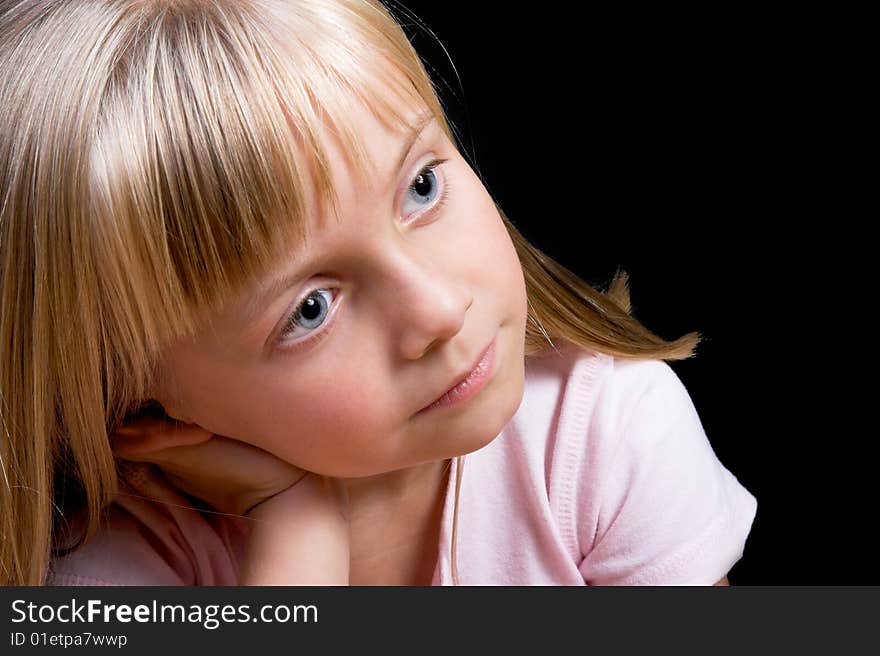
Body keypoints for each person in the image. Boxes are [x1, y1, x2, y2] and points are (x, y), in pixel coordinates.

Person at [0, 0, 757, 586]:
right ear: (141, 405)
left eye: (421, 186)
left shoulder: (604, 434)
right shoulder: (124, 561)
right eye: (309, 309)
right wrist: (294, 532)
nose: (437, 310)